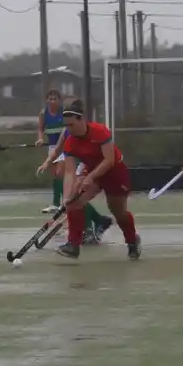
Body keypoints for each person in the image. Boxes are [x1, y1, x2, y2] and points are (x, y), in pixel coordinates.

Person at [51, 99, 142, 260]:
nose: (69, 130)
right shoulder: (70, 142)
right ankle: (73, 245)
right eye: (66, 126)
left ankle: (132, 241)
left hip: (115, 173)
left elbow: (109, 160)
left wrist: (90, 177)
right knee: (74, 203)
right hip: (93, 172)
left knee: (118, 212)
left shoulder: (99, 131)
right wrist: (67, 197)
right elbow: (70, 172)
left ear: (81, 120)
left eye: (71, 125)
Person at [36, 96, 113, 244]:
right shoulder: (67, 130)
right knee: (73, 199)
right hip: (78, 163)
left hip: (90, 164)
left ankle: (90, 229)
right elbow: (58, 150)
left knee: (76, 197)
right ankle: (100, 220)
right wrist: (46, 163)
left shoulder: (87, 128)